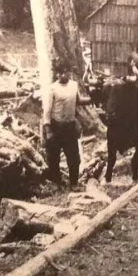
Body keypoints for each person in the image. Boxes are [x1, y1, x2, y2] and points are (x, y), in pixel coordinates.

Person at [41, 60, 81, 188]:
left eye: (65, 72)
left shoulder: (74, 85)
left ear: (68, 72)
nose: (62, 75)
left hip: (69, 127)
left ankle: (74, 183)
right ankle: (56, 182)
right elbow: (47, 110)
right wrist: (48, 131)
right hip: (56, 127)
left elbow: (78, 102)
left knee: (74, 157)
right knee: (54, 157)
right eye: (59, 73)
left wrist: (95, 97)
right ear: (56, 74)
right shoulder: (52, 88)